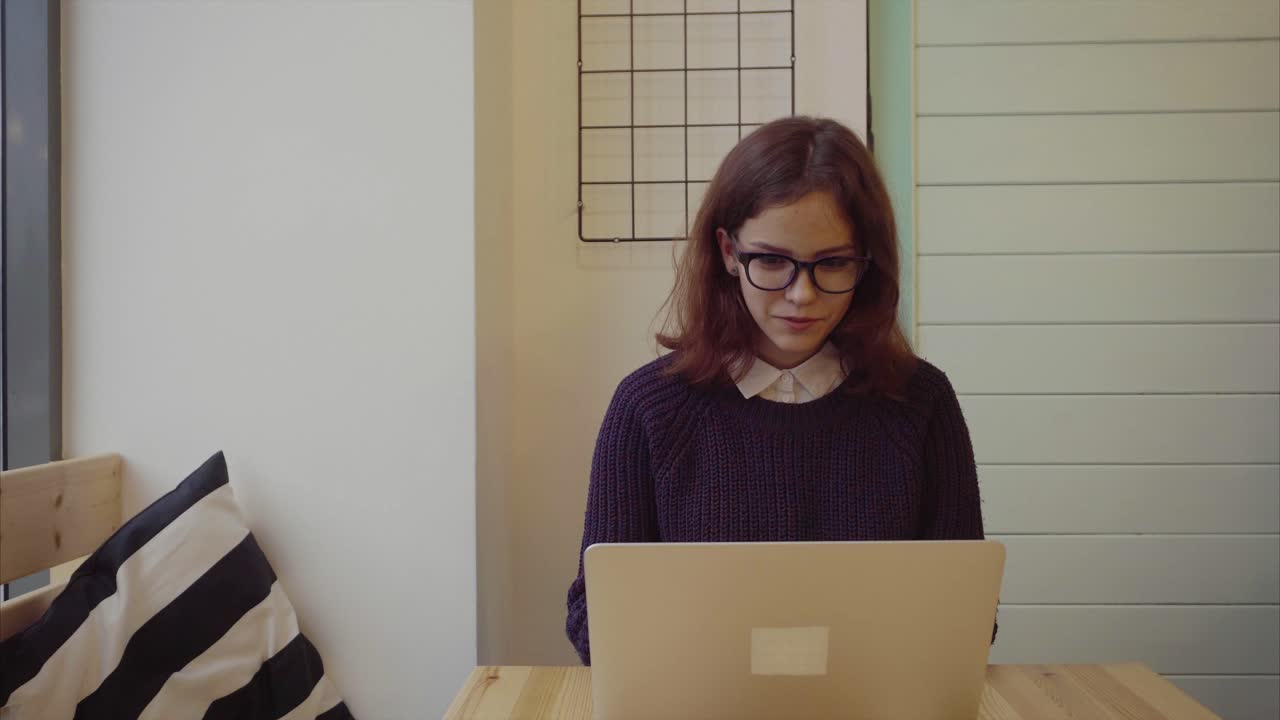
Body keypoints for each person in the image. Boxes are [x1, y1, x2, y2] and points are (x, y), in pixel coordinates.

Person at [565, 116, 986, 666]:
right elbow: (593, 621)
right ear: (727, 253)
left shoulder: (921, 402)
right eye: (771, 261)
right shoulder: (648, 408)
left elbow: (967, 615)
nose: (802, 295)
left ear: (867, 264)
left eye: (832, 263)